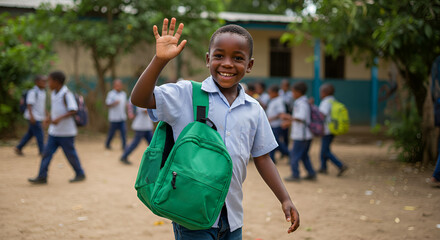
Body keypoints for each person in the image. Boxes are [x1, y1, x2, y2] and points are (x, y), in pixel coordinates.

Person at [130, 17, 300, 239]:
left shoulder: (254, 109)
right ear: (208, 60)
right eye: (219, 56)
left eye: (238, 58)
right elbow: (140, 98)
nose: (228, 63)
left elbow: (263, 158)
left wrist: (285, 198)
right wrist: (159, 60)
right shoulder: (187, 94)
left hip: (233, 217)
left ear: (249, 65)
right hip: (190, 214)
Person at [28, 71, 86, 184]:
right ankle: (42, 176)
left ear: (56, 82)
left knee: (70, 155)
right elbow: (56, 110)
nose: (48, 84)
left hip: (66, 133)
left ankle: (80, 173)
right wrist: (49, 118)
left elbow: (73, 109)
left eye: (49, 81)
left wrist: (59, 118)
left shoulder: (66, 94)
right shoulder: (54, 93)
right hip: (54, 132)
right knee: (46, 153)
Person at [282, 82, 316, 182]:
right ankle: (311, 173)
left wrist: (288, 117)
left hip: (302, 135)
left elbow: (301, 117)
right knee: (304, 155)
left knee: (294, 154)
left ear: (299, 92)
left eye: (293, 92)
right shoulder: (301, 102)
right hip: (303, 134)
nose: (292, 94)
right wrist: (289, 122)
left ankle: (295, 174)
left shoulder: (302, 103)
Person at [317, 84, 348, 177]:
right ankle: (323, 167)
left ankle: (340, 165)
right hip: (332, 129)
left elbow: (321, 116)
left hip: (326, 130)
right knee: (324, 149)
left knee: (325, 151)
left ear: (324, 93)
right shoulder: (333, 100)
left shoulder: (325, 102)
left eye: (321, 92)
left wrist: (319, 128)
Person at [15, 75, 47, 156]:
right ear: (37, 82)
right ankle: (42, 151)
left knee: (30, 133)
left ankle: (19, 147)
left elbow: (41, 105)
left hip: (39, 116)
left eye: (45, 81)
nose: (45, 83)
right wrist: (32, 116)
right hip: (33, 116)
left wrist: (47, 114)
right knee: (40, 133)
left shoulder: (43, 92)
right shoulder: (33, 92)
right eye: (43, 81)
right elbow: (29, 105)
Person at [266, 85, 289, 163]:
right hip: (272, 125)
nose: (269, 95)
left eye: (270, 93)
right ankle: (272, 158)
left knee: (276, 143)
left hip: (276, 125)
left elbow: (281, 113)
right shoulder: (273, 100)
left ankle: (289, 154)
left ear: (275, 93)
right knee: (272, 142)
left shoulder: (279, 101)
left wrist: (270, 119)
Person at [105, 79, 128, 150]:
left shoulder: (124, 94)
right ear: (114, 86)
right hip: (114, 118)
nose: (118, 86)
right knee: (112, 133)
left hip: (122, 117)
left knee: (124, 132)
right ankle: (107, 144)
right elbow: (107, 104)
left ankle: (124, 146)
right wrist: (114, 103)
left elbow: (125, 104)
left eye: (119, 85)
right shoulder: (111, 94)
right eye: (117, 85)